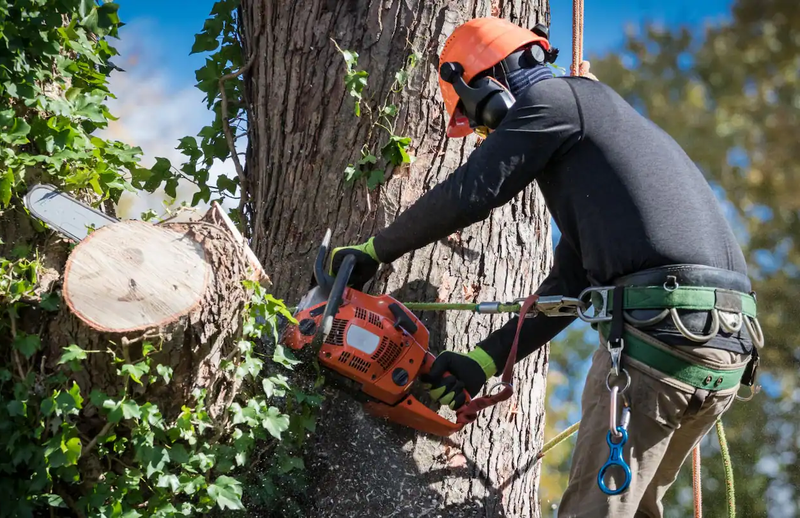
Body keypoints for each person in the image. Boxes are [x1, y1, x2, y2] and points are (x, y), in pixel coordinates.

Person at [328, 17, 762, 518]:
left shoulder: (553, 102)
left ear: (488, 87)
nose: (490, 135)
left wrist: (373, 250)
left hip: (658, 342)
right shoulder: (602, 145)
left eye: (484, 123)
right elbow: (570, 289)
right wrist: (481, 364)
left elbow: (471, 193)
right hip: (722, 350)